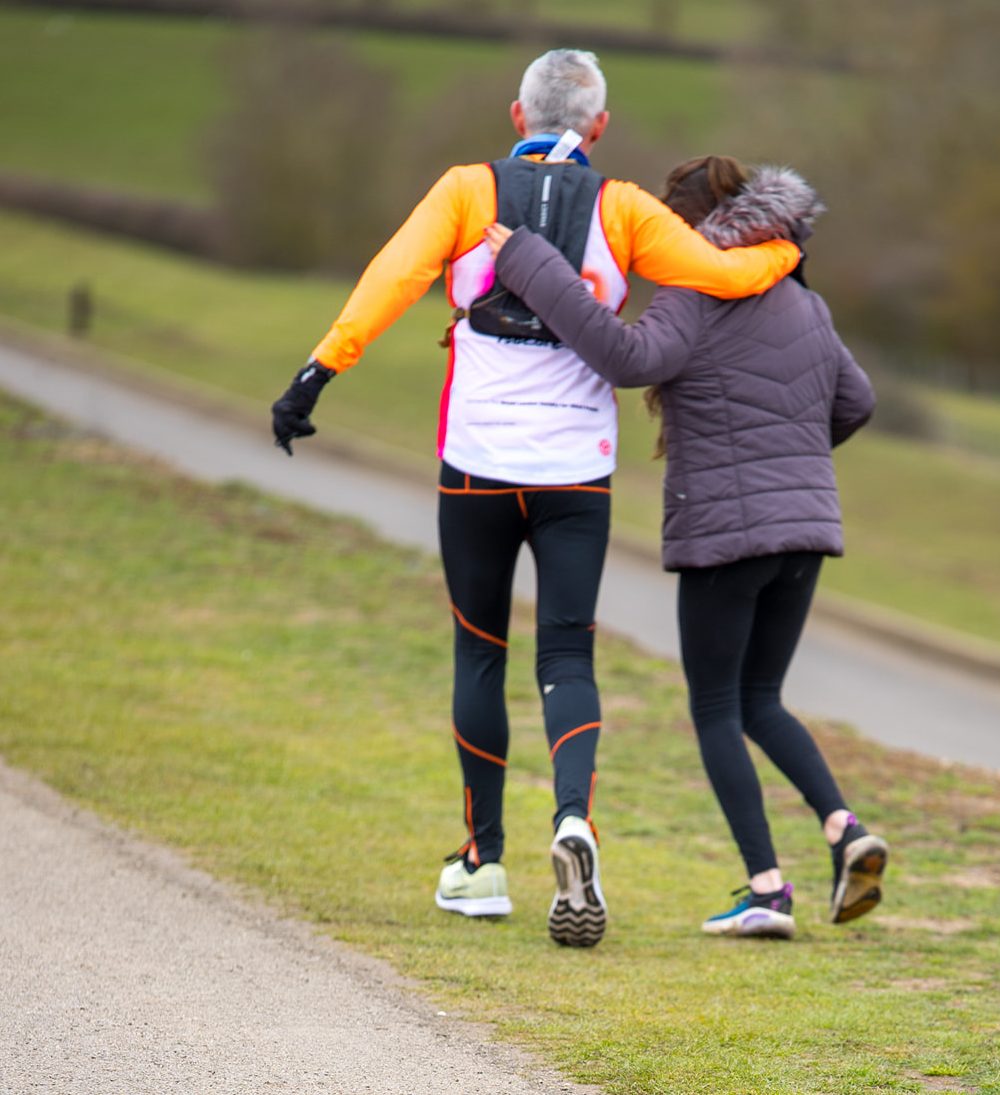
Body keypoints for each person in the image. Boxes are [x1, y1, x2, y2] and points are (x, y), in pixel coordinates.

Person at [269, 53, 800, 948]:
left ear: (517, 114)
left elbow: (392, 277)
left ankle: (480, 864)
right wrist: (787, 242)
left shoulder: (466, 189)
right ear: (597, 126)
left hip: (475, 460)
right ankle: (574, 823)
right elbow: (727, 274)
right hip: (574, 470)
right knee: (566, 653)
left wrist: (317, 373)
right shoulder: (624, 206)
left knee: (479, 653)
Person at [484, 155, 887, 939]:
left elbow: (629, 358)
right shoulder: (804, 302)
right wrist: (792, 461)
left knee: (713, 707)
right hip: (804, 533)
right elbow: (856, 400)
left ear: (691, 229)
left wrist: (530, 261)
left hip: (726, 537)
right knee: (760, 699)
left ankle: (768, 889)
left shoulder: (698, 295)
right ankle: (844, 827)